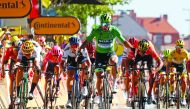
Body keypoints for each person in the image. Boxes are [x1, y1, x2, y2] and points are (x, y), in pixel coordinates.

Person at [79, 13, 133, 107]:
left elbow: (124, 41)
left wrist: (133, 49)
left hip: (110, 53)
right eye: (103, 25)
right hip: (100, 55)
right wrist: (80, 49)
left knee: (114, 61)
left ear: (110, 23)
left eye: (107, 24)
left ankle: (115, 82)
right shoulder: (96, 30)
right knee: (99, 76)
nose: (105, 27)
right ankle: (99, 97)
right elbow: (87, 41)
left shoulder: (114, 30)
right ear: (101, 24)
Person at [131, 39, 163, 104]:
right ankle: (134, 94)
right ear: (139, 48)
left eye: (144, 51)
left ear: (147, 48)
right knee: (135, 70)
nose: (143, 53)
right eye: (141, 51)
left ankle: (150, 93)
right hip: (138, 56)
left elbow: (160, 62)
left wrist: (155, 70)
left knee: (152, 73)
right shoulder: (137, 45)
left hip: (149, 57)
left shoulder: (151, 50)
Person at [63, 36, 91, 108]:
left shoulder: (83, 48)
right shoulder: (67, 48)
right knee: (70, 75)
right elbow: (62, 62)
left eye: (76, 45)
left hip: (80, 57)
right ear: (70, 45)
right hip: (71, 59)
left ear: (79, 45)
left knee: (85, 66)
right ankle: (69, 99)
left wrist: (88, 71)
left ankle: (84, 86)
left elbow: (88, 63)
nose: (75, 47)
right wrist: (63, 69)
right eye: (73, 45)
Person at [167, 39, 189, 106]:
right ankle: (172, 93)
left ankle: (183, 97)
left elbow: (188, 63)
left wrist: (188, 72)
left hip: (182, 66)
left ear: (183, 47)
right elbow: (168, 64)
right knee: (173, 73)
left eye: (181, 47)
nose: (179, 49)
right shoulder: (172, 53)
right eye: (178, 47)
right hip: (174, 65)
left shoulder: (185, 53)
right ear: (176, 47)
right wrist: (168, 72)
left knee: (184, 81)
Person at [1, 36, 20, 108]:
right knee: (12, 79)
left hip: (19, 61)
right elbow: (4, 61)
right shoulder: (9, 49)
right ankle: (12, 99)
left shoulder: (20, 48)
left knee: (19, 76)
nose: (15, 51)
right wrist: (2, 69)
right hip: (13, 62)